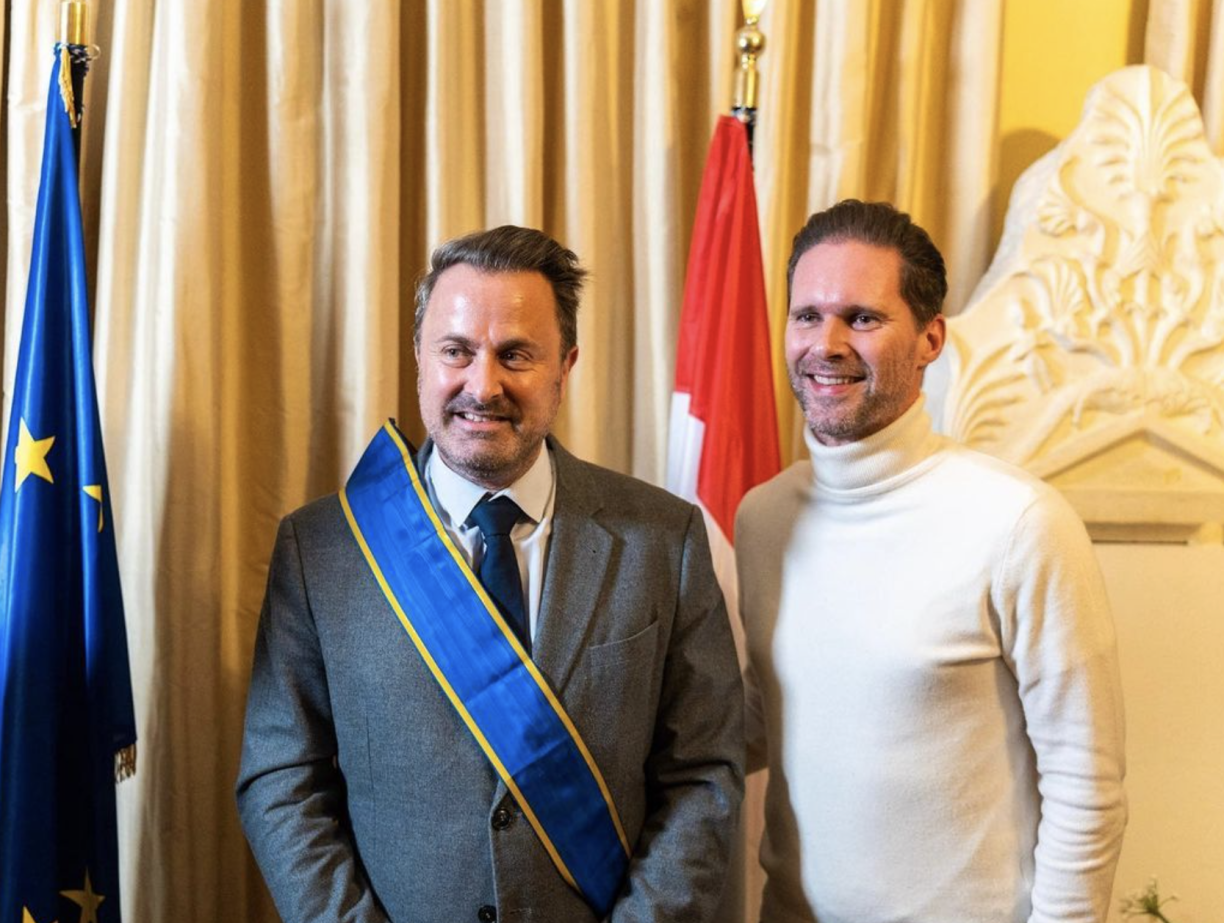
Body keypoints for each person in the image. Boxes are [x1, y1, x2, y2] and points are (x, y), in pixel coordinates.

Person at [237, 226, 744, 922]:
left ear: (564, 366)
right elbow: (281, 778)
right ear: (419, 357)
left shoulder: (666, 539)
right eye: (456, 351)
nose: (484, 384)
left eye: (516, 354)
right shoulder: (320, 548)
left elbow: (704, 772)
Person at [737, 200, 1127, 923]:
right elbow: (770, 710)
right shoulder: (762, 518)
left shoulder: (1018, 523)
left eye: (862, 317)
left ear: (930, 339)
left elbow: (1086, 784)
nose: (826, 342)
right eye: (806, 315)